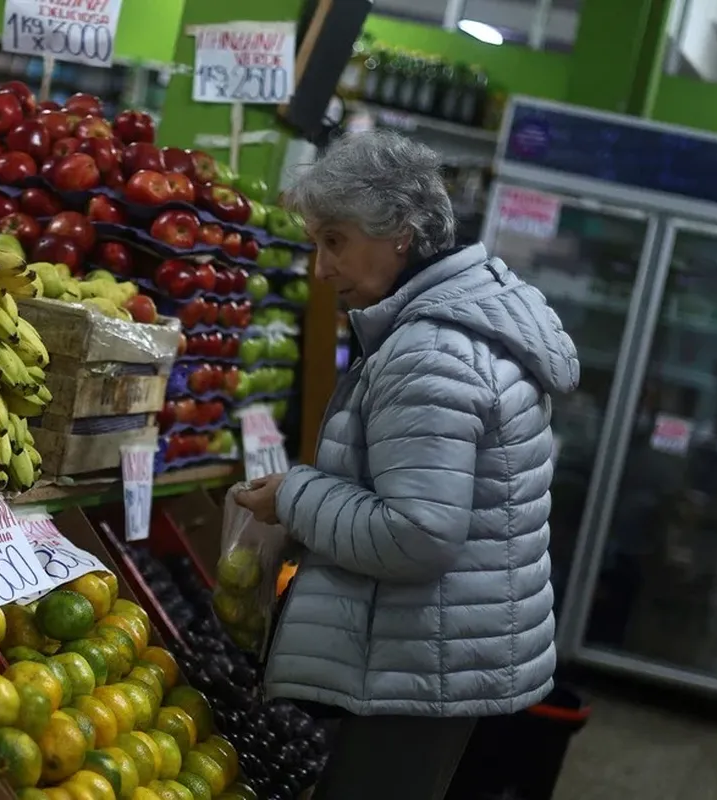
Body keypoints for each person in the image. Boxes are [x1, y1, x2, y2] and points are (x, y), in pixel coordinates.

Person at [235, 130, 580, 800]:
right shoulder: (467, 319)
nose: (320, 269)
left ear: (400, 233)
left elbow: (416, 533)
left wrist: (294, 498)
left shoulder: (430, 352)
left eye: (334, 241)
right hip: (444, 652)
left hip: (420, 666)